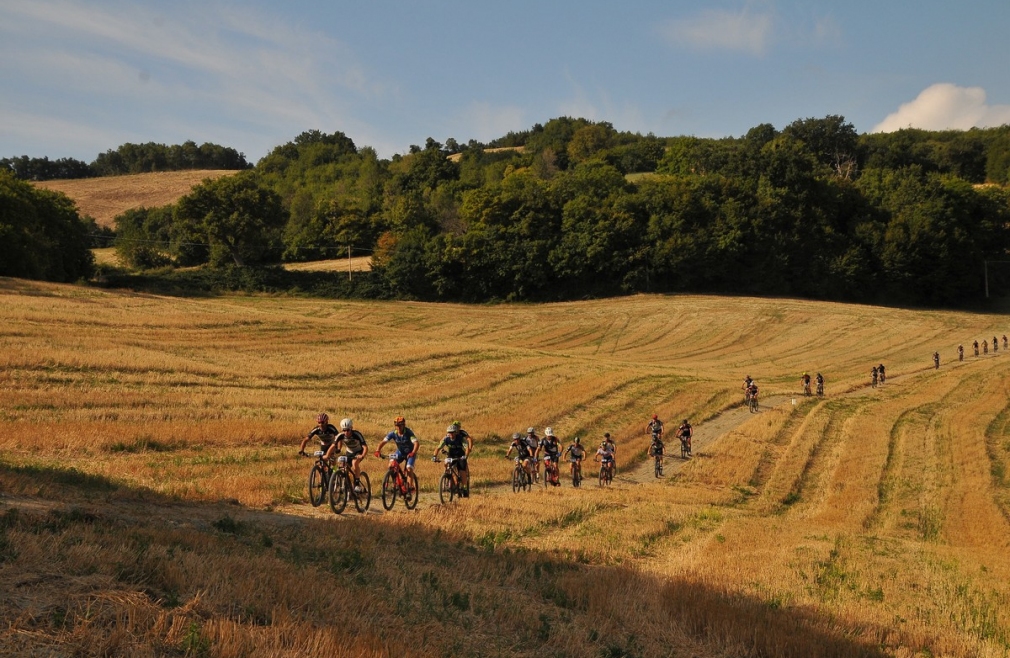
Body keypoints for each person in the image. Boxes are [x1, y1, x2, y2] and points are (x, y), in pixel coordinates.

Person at [324, 418, 368, 492]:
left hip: (358, 452)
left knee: (354, 463)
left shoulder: (357, 434)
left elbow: (365, 447)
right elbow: (332, 446)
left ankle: (357, 484)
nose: (346, 432)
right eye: (344, 430)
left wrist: (362, 455)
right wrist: (327, 455)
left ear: (351, 428)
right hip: (349, 452)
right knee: (343, 466)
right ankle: (347, 485)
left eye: (348, 430)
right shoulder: (340, 436)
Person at [433, 422, 472, 496]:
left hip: (460, 456)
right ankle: (448, 476)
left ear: (455, 433)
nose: (450, 434)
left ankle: (464, 488)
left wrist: (465, 456)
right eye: (449, 432)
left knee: (462, 471)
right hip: (451, 455)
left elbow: (466, 448)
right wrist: (434, 456)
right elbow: (438, 448)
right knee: (446, 464)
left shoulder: (461, 439)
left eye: (452, 433)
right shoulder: (446, 439)